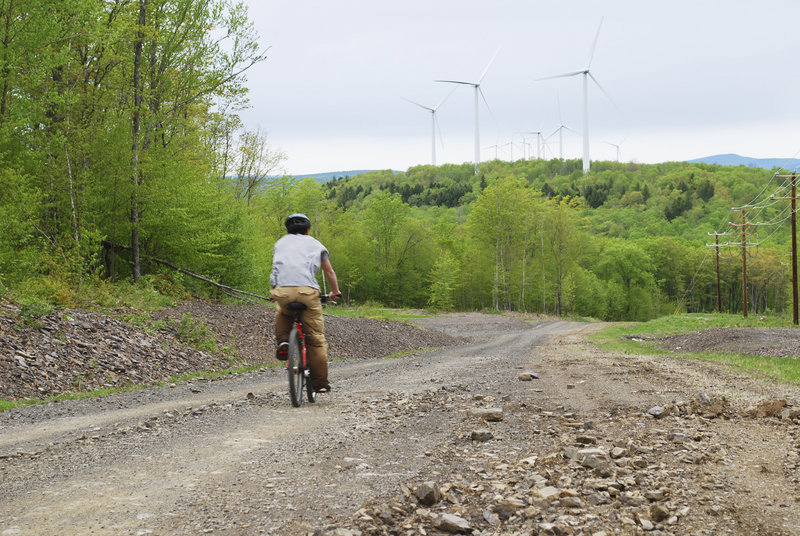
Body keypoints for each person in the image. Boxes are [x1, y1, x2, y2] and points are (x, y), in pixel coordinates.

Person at [269, 213, 341, 393]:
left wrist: (273, 290)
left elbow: (276, 269)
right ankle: (319, 384)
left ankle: (284, 342)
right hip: (308, 293)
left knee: (283, 312)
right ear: (308, 230)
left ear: (288, 230)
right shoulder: (316, 244)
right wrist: (335, 291)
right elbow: (330, 272)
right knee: (315, 340)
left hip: (283, 291)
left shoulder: (280, 243)